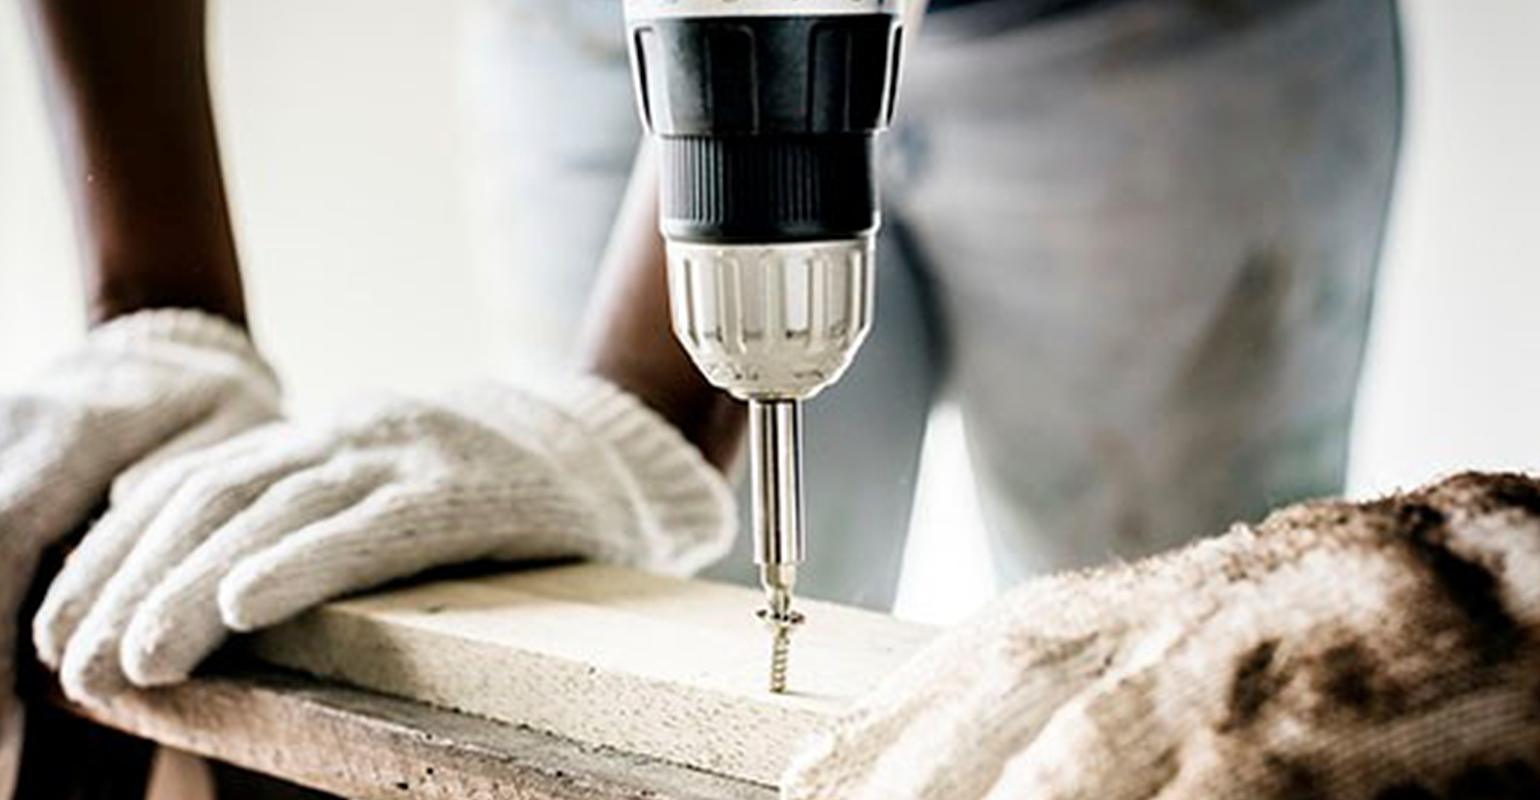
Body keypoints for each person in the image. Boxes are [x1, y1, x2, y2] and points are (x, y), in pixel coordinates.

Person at [6, 0, 1534, 798]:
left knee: (1148, 667)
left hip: (1159, 43)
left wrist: (640, 398)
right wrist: (158, 303)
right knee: (678, 635)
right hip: (592, 28)